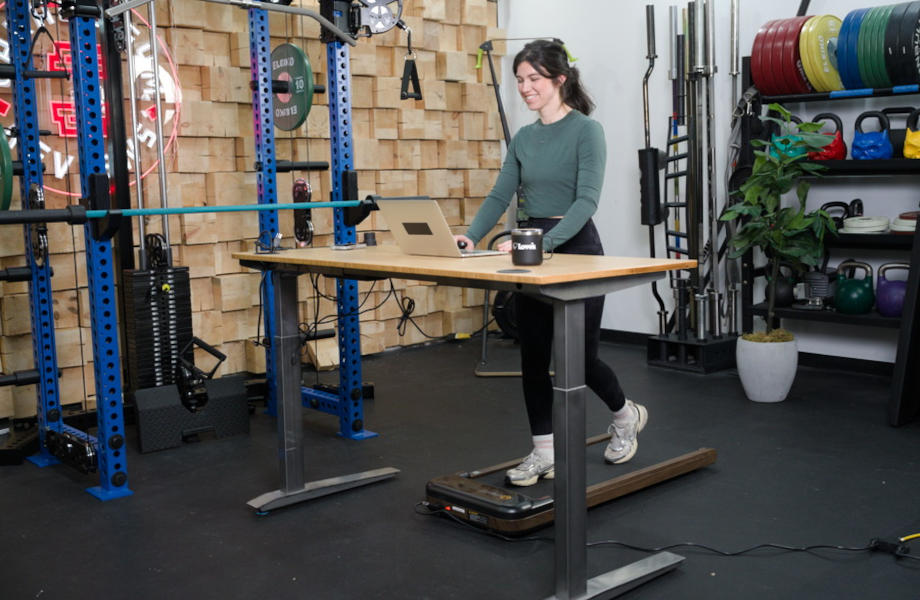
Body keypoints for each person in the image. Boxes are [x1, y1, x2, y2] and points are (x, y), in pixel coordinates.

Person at [454, 40, 647, 487]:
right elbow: (501, 194)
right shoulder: (524, 137)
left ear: (560, 79)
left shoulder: (586, 131)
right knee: (535, 356)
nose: (525, 88)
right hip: (530, 247)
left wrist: (546, 243)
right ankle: (543, 451)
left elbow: (586, 202)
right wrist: (471, 234)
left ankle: (625, 414)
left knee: (579, 358)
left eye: (534, 79)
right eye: (520, 80)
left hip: (576, 246)